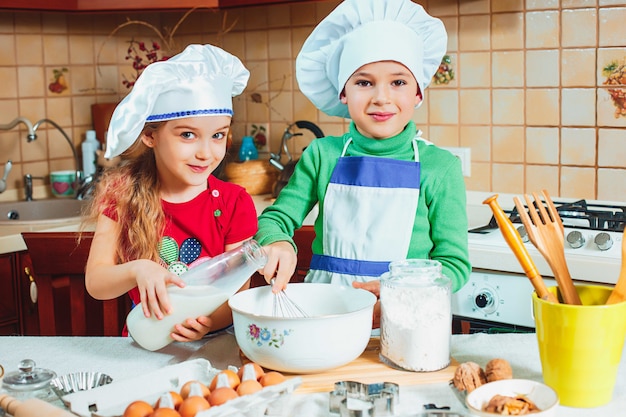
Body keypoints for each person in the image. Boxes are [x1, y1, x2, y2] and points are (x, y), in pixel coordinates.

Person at [255, 0, 470, 325]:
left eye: (398, 82)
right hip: (326, 317)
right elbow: (274, 220)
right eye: (364, 82)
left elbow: (454, 264)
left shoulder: (440, 167)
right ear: (343, 92)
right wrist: (278, 242)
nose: (381, 97)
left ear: (418, 93)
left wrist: (406, 293)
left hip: (406, 322)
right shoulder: (322, 155)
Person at [83, 44, 257, 342]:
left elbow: (238, 295)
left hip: (213, 346)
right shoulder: (121, 196)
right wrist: (138, 269)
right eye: (187, 135)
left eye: (218, 135)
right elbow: (96, 282)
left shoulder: (234, 202)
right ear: (150, 135)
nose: (206, 153)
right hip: (143, 345)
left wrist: (208, 322)